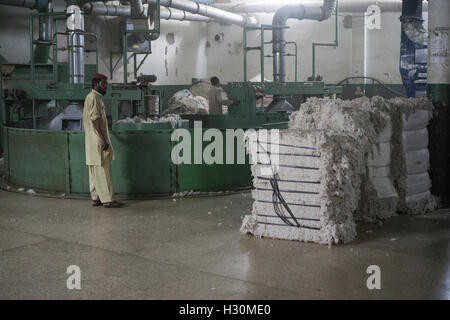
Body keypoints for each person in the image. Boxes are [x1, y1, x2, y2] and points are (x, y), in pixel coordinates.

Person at [83, 73, 123, 208]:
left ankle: (96, 198)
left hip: (92, 141)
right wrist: (102, 138)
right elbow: (95, 119)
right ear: (96, 84)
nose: (106, 87)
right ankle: (108, 200)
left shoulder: (94, 97)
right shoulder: (94, 98)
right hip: (98, 140)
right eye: (104, 84)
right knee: (103, 170)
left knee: (94, 170)